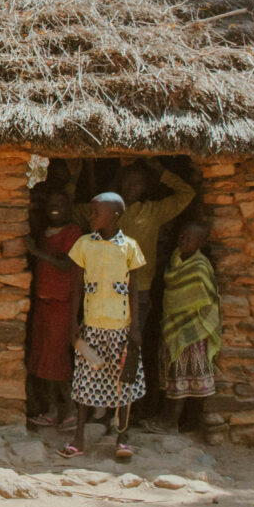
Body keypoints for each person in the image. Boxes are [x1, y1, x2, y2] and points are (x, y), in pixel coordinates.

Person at [63, 192, 146, 462]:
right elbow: (75, 287)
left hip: (121, 327)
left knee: (124, 384)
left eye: (97, 212)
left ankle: (122, 436)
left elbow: (134, 290)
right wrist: (73, 321)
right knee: (85, 382)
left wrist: (134, 326)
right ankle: (79, 437)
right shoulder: (83, 245)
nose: (92, 216)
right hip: (92, 326)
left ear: (115, 216)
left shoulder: (130, 247)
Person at [114, 160, 196, 421]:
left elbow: (187, 194)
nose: (130, 187)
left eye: (137, 182)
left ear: (146, 186)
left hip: (140, 292)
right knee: (109, 351)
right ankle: (108, 407)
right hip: (107, 292)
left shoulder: (153, 211)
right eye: (126, 182)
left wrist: (157, 168)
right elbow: (74, 211)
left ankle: (131, 409)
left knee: (133, 349)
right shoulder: (107, 210)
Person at [25, 186, 83, 428]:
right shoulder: (46, 232)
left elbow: (66, 265)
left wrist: (36, 252)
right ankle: (50, 409)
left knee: (57, 359)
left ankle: (70, 410)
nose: (54, 208)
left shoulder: (73, 232)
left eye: (60, 202)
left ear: (69, 207)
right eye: (51, 203)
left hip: (62, 305)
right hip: (43, 303)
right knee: (42, 359)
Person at [160, 220, 221, 432]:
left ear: (201, 243)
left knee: (184, 378)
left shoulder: (200, 267)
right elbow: (173, 295)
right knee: (174, 376)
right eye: (182, 236)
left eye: (190, 238)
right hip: (174, 326)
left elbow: (205, 298)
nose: (183, 240)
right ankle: (174, 421)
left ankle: (173, 423)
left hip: (192, 331)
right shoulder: (175, 259)